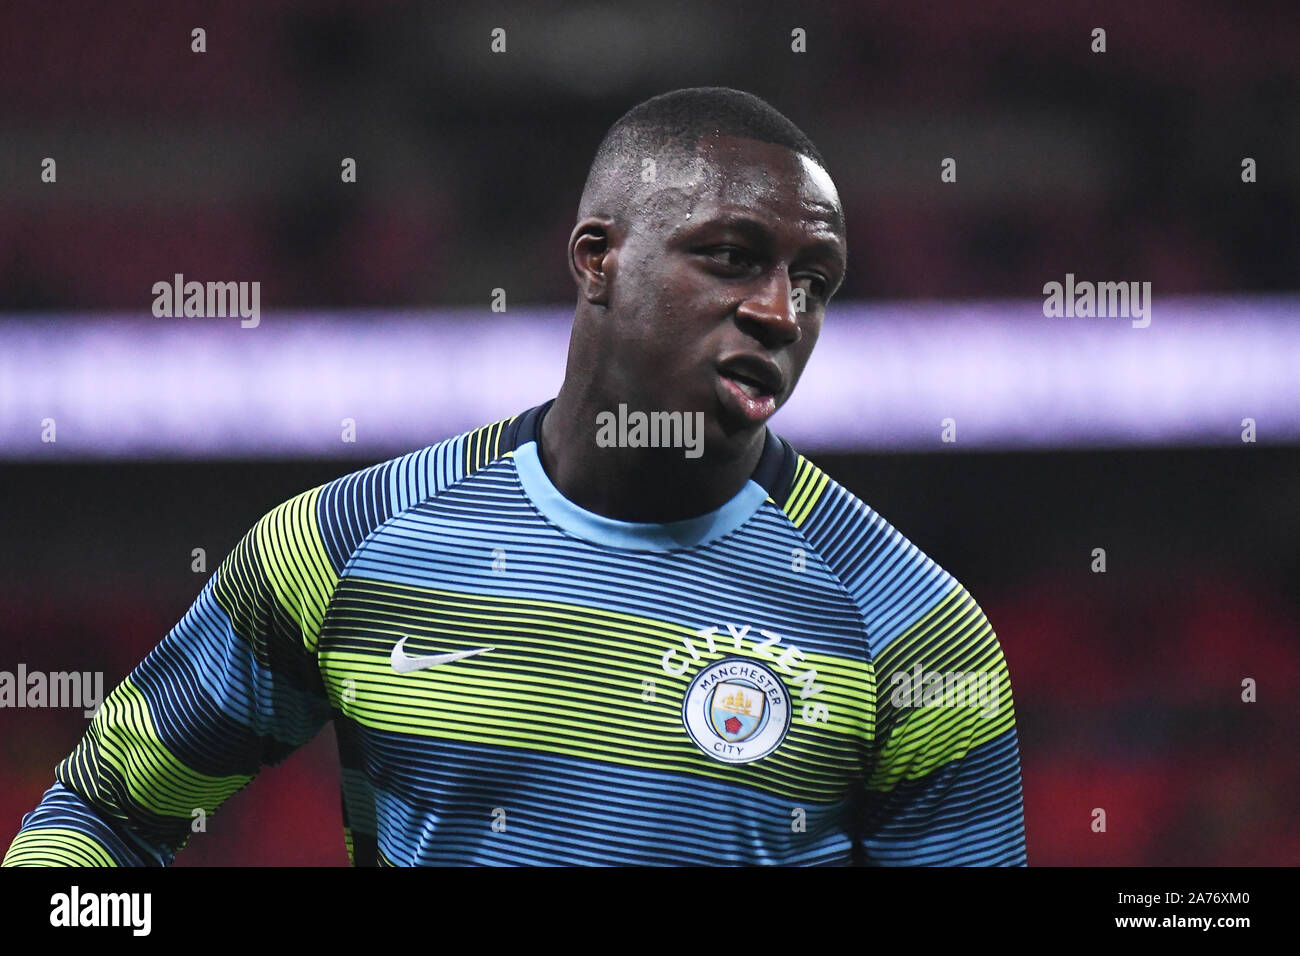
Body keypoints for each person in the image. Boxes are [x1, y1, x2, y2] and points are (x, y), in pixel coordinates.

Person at [3, 86, 1026, 866]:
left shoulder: (912, 628)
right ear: (597, 259)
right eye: (730, 256)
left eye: (814, 281)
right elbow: (104, 814)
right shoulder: (344, 544)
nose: (779, 311)